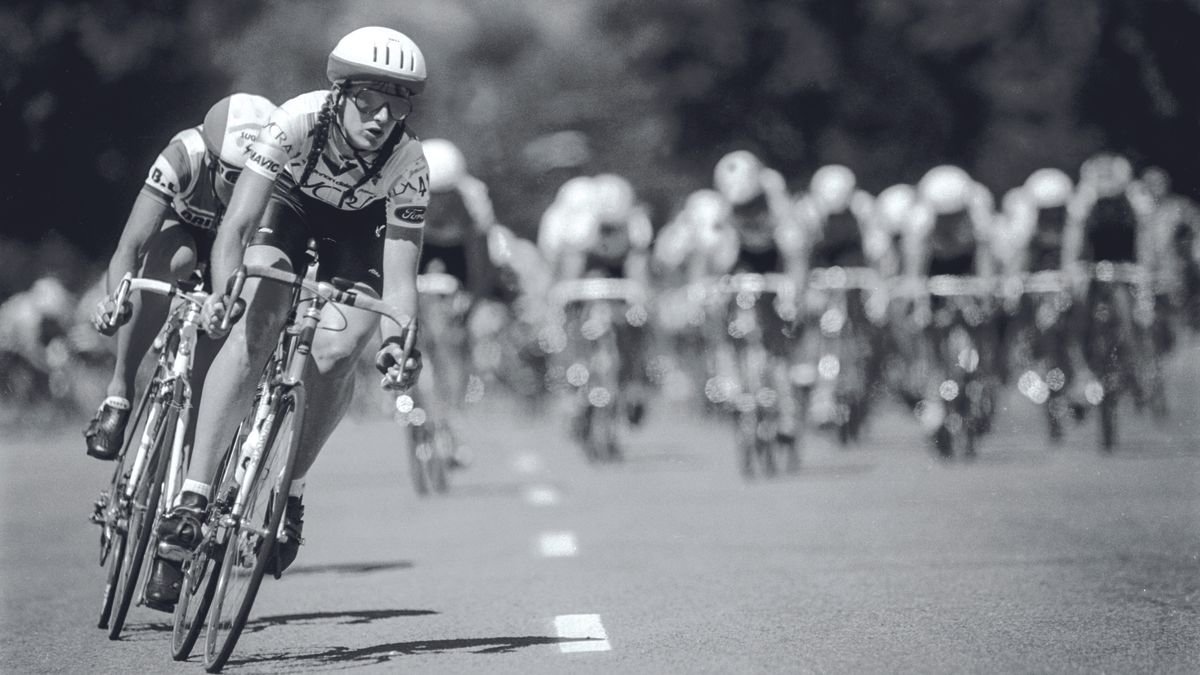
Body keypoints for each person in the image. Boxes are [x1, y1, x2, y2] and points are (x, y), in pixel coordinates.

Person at [146, 26, 427, 610]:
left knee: (339, 350)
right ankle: (193, 497)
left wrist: (400, 344)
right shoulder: (297, 121)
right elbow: (237, 228)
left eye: (396, 104)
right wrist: (226, 290)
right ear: (341, 93)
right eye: (369, 101)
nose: (380, 117)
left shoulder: (409, 163)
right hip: (289, 210)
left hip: (360, 233)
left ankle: (289, 491)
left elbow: (399, 283)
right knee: (259, 318)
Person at [82, 93, 276, 460]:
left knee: (232, 317)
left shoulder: (279, 171)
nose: (242, 190)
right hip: (182, 232)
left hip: (236, 251)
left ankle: (184, 464)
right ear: (214, 158)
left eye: (253, 178)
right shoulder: (184, 156)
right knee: (176, 258)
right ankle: (120, 390)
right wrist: (115, 301)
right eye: (233, 176)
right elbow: (131, 245)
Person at [701, 150, 805, 457]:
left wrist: (793, 292)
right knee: (718, 313)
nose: (745, 210)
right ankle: (728, 375)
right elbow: (718, 259)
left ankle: (787, 413)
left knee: (777, 340)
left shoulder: (778, 205)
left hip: (774, 265)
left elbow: (795, 257)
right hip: (742, 264)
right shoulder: (723, 209)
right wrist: (712, 287)